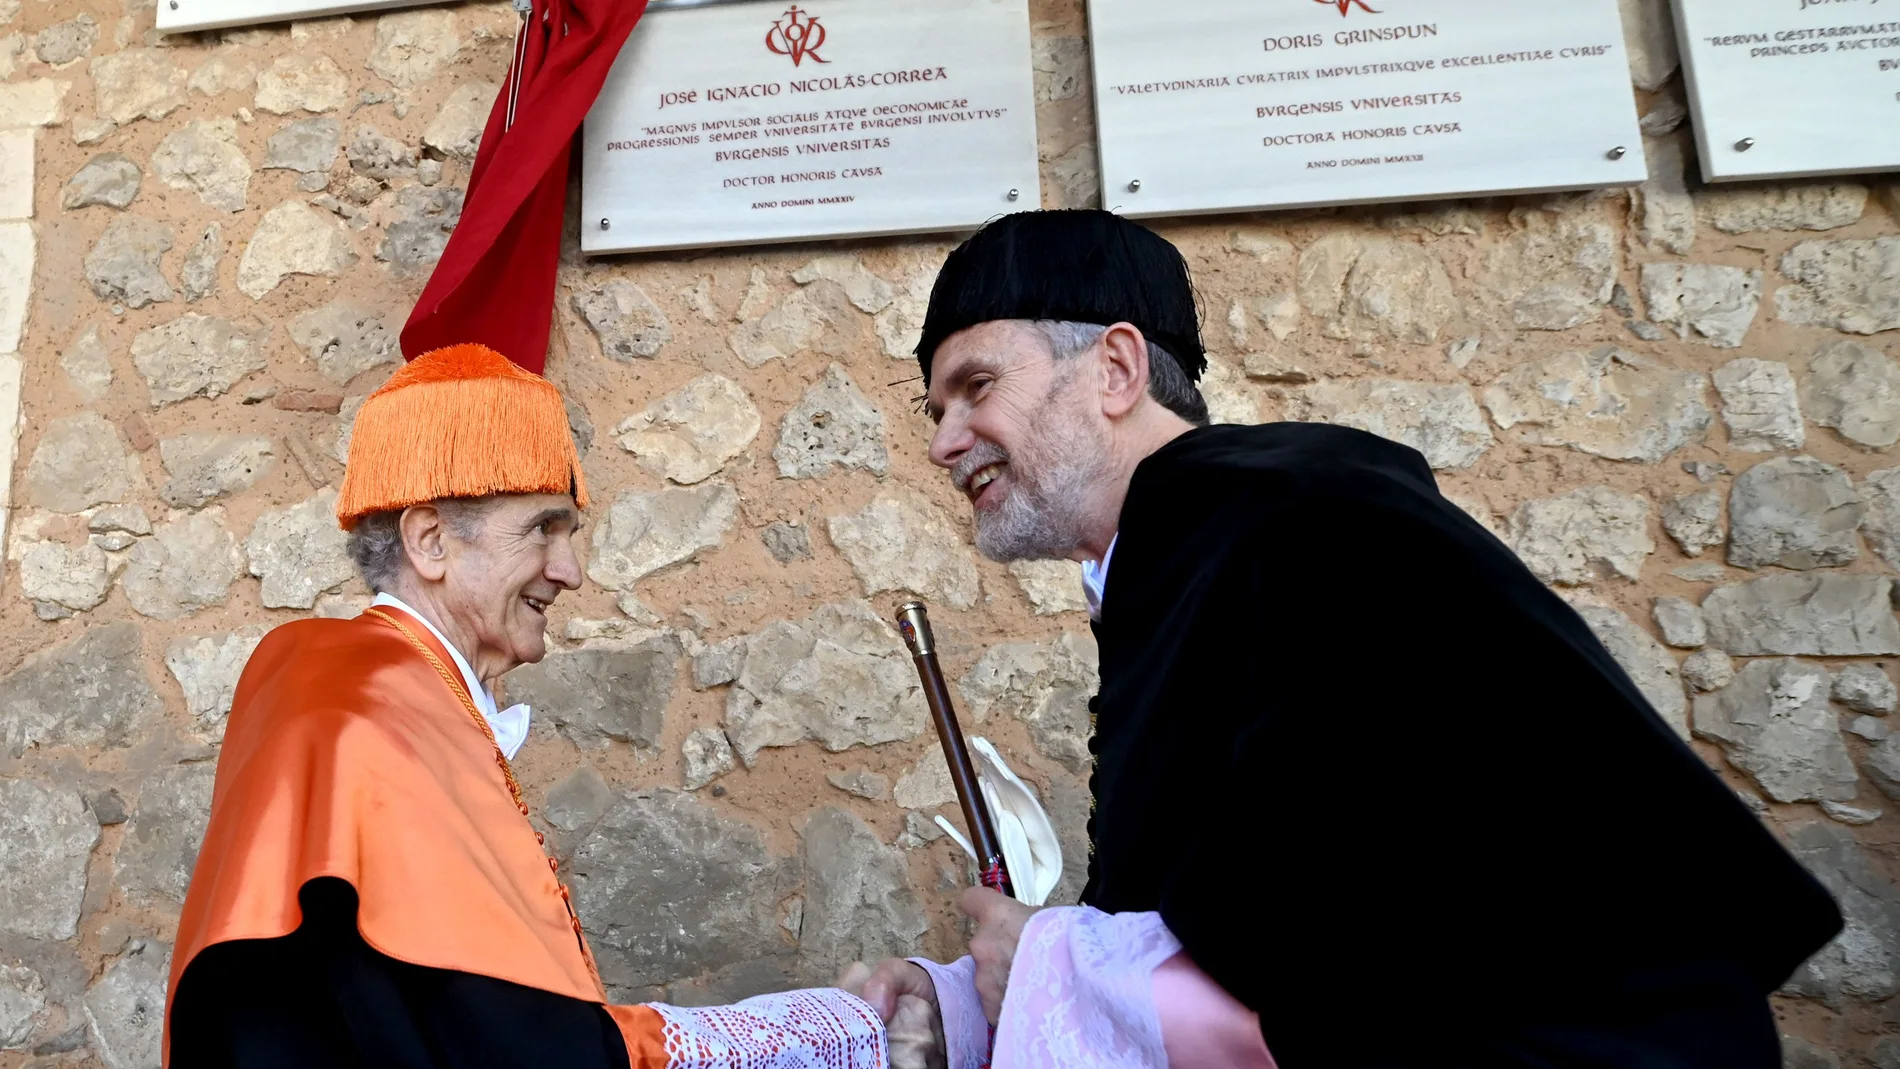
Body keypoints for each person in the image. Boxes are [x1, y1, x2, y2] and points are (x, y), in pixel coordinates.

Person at [851, 209, 1845, 1069]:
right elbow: (1208, 909)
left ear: (1112, 368)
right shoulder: (1189, 547)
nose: (943, 440)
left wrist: (1045, 966)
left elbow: (1349, 947)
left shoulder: (1300, 516)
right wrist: (978, 998)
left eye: (975, 387)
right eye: (935, 409)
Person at [163, 344, 929, 1068]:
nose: (569, 570)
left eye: (570, 532)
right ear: (430, 540)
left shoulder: (377, 683)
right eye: (542, 529)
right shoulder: (370, 696)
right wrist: (834, 1030)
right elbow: (525, 1041)